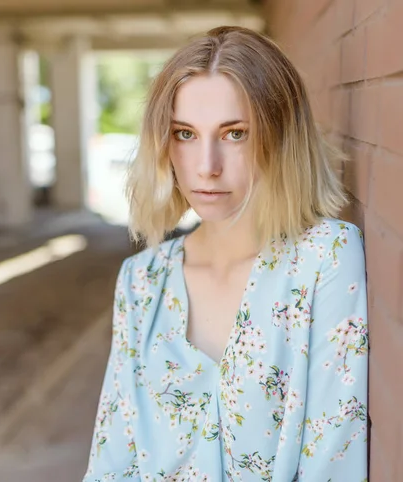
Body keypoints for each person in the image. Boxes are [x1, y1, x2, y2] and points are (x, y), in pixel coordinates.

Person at [83, 26, 368, 482]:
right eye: (185, 134)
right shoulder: (142, 280)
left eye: (235, 134)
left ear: (279, 136)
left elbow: (334, 461)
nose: (206, 165)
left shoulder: (325, 260)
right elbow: (112, 461)